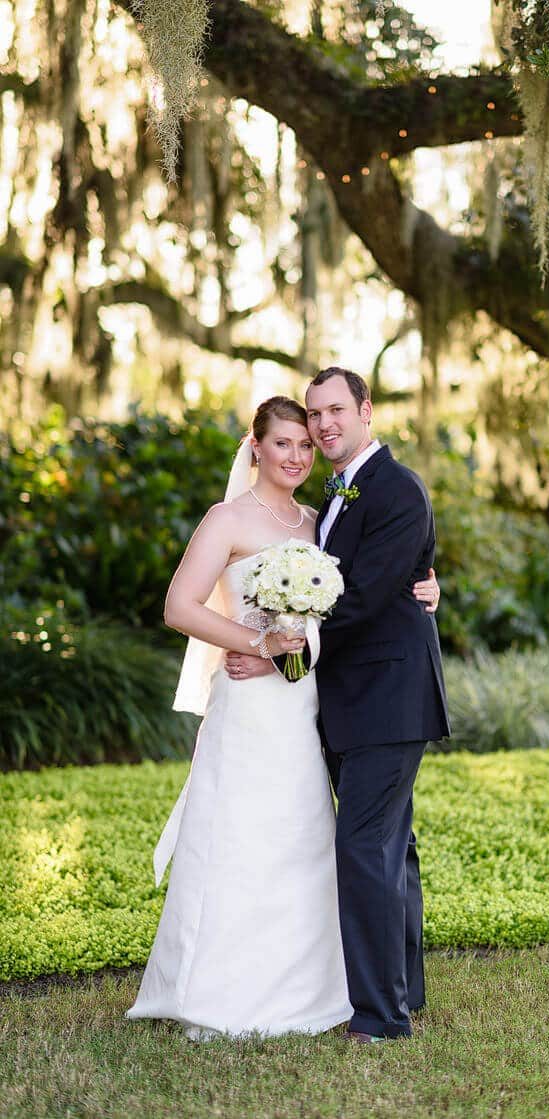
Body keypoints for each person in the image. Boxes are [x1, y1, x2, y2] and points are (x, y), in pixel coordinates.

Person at [128, 395, 441, 1041]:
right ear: (257, 446)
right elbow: (179, 606)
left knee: (305, 837)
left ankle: (320, 987)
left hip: (310, 706)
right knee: (242, 834)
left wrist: (430, 585)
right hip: (250, 698)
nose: (298, 454)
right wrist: (256, 645)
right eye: (283, 443)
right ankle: (222, 987)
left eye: (306, 443)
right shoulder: (228, 517)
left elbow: (372, 584)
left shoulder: (321, 520)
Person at [225, 367, 449, 1042]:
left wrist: (275, 651)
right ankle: (403, 990)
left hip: (388, 698)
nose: (323, 425)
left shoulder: (397, 486)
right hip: (351, 700)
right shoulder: (338, 496)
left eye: (334, 411)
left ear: (366, 411)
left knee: (363, 847)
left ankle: (379, 1017)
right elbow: (384, 578)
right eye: (314, 414)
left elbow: (365, 594)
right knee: (389, 847)